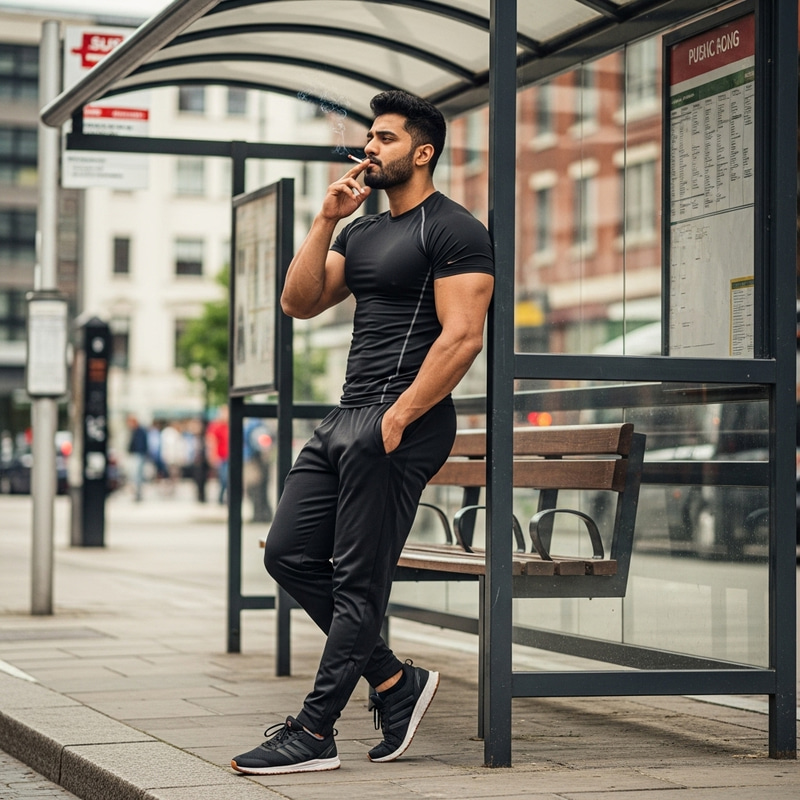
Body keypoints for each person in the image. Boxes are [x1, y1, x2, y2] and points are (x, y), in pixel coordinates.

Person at [231, 90, 494, 776]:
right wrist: (324, 220)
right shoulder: (363, 231)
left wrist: (400, 417)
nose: (368, 148)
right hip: (346, 414)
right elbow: (298, 302)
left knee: (356, 582)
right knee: (287, 554)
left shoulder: (455, 229)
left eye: (383, 138)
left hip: (402, 418)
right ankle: (395, 683)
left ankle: (315, 731)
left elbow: (463, 338)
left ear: (422, 151)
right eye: (369, 138)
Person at [126, 415, 148, 502]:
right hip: (136, 454)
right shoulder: (134, 431)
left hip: (139, 454)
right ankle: (137, 494)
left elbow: (142, 444)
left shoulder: (140, 431)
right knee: (135, 476)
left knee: (137, 476)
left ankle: (138, 494)